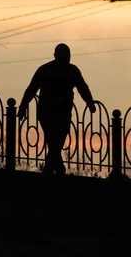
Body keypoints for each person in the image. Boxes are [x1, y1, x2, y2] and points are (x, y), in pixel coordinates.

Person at [17, 43, 96, 175]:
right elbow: (83, 89)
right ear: (69, 56)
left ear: (55, 55)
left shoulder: (44, 69)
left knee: (53, 142)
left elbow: (31, 90)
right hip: (61, 112)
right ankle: (53, 169)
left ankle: (56, 169)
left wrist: (22, 107)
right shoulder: (72, 70)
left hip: (46, 112)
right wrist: (90, 103)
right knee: (56, 142)